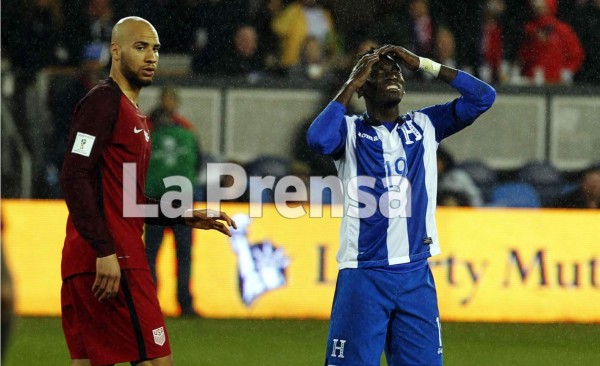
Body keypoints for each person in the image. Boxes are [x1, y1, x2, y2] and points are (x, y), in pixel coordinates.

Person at [59, 17, 236, 366]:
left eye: (155, 48)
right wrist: (105, 250)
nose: (151, 56)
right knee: (157, 361)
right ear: (115, 50)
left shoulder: (132, 114)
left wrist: (185, 214)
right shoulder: (103, 102)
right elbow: (73, 174)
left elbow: (128, 199)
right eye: (140, 47)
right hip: (114, 258)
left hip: (93, 258)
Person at [306, 44, 495, 365]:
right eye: (379, 74)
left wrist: (423, 63)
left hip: (415, 275)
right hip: (365, 274)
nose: (392, 75)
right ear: (364, 87)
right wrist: (349, 84)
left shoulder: (425, 125)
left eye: (396, 71)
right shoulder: (349, 132)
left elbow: (483, 97)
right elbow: (318, 139)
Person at [145, 85, 201, 317]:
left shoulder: (148, 128)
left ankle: (156, 304)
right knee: (176, 254)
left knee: (155, 254)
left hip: (160, 198)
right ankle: (178, 303)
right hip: (175, 198)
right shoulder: (185, 131)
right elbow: (196, 162)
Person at [517, 0, 584, 85]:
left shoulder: (562, 30)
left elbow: (576, 54)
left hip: (556, 83)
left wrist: (566, 72)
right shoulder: (529, 30)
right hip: (533, 82)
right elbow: (523, 57)